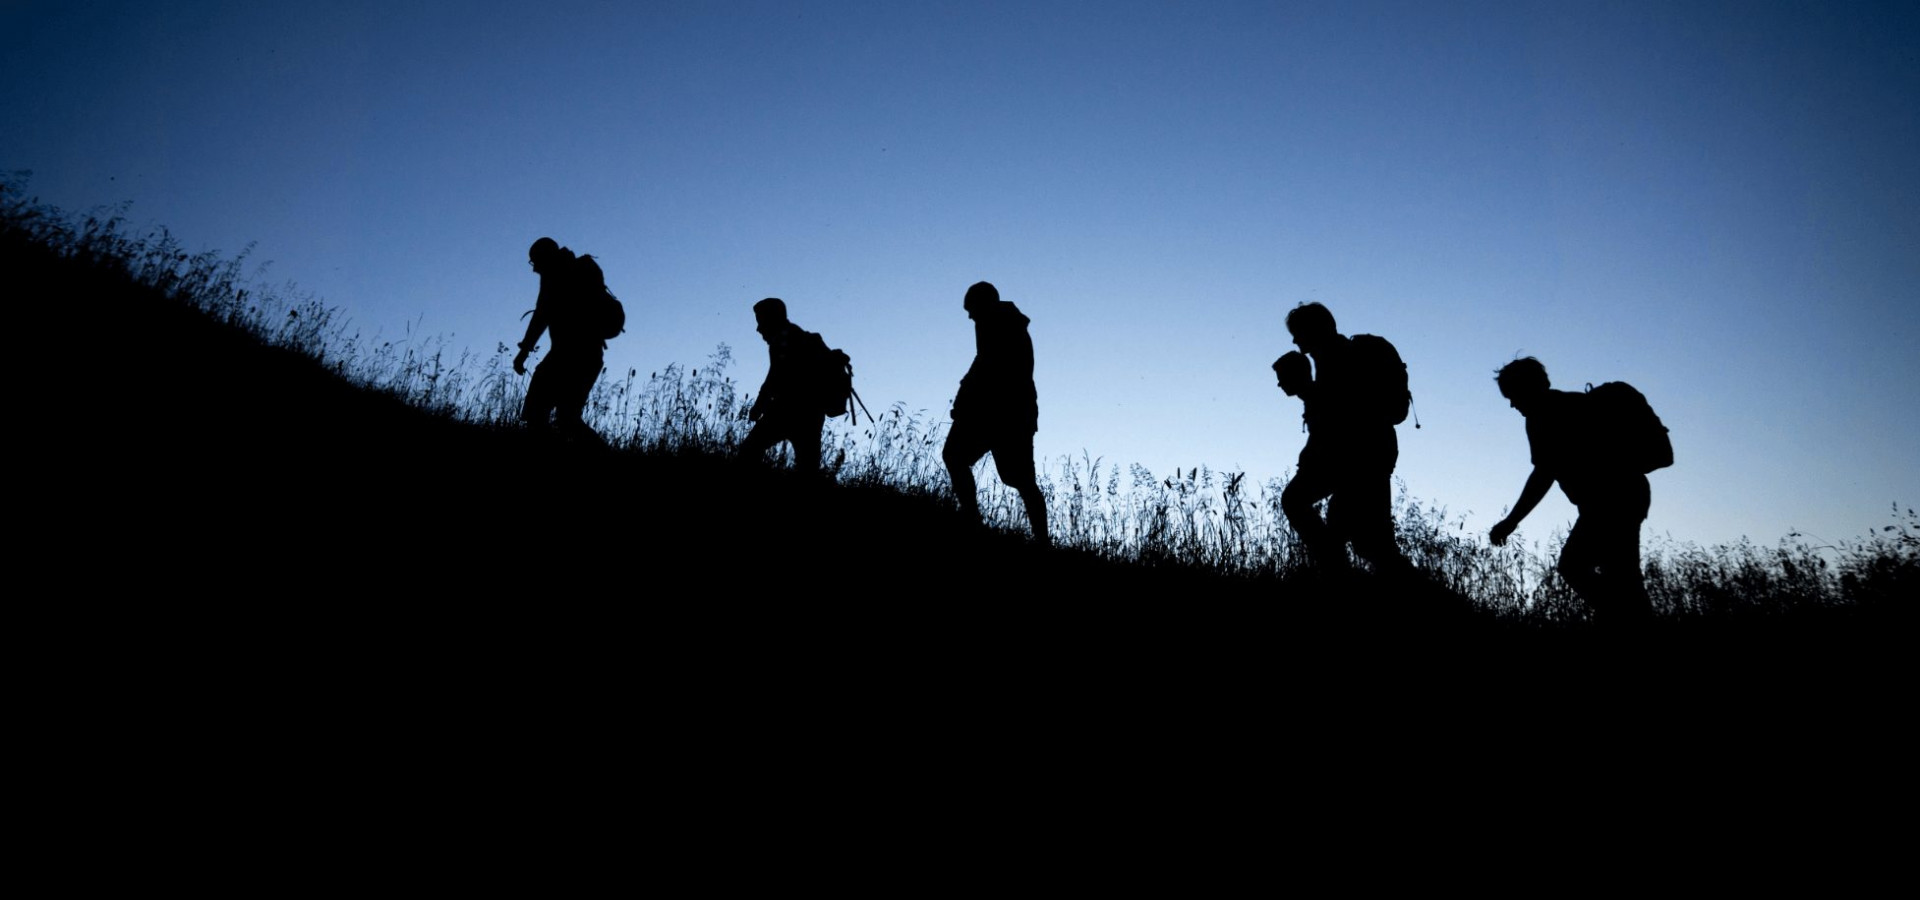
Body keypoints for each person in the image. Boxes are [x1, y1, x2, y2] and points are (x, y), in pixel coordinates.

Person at [1488, 357, 1655, 628]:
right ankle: (1625, 617)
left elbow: (1543, 474)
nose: (1512, 404)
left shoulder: (1544, 416)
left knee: (1577, 566)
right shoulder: (1574, 402)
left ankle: (1623, 618)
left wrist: (1511, 521)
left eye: (1512, 395)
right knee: (1621, 575)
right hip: (1625, 494)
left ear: (1526, 388)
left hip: (1610, 501)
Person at [1274, 302, 1409, 572]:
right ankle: (1340, 575)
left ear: (1315, 329)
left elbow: (1340, 422)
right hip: (1370, 456)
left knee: (1366, 542)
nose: (1295, 339)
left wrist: (1306, 392)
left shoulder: (1337, 359)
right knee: (1369, 543)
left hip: (1361, 460)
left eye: (1298, 332)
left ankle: (1339, 578)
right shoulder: (1329, 360)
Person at [943, 281, 1048, 543]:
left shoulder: (999, 324)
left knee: (1018, 479)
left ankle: (1039, 538)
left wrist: (964, 399)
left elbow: (987, 368)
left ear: (984, 303)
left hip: (1003, 413)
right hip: (1004, 412)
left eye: (971, 310)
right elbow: (983, 365)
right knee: (958, 457)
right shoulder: (1002, 323)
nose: (969, 316)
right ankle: (1037, 538)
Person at [513, 237, 608, 443]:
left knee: (541, 415)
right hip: (588, 355)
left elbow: (541, 316)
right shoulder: (581, 269)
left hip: (569, 356)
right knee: (567, 419)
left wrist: (523, 352)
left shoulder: (554, 274)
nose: (534, 269)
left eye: (535, 262)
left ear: (545, 258)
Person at [739, 298, 829, 473]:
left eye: (761, 321)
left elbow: (775, 377)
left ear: (772, 319)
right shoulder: (797, 337)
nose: (758, 329)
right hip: (812, 413)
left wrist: (759, 406)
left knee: (748, 452)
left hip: (787, 410)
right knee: (808, 469)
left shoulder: (784, 340)